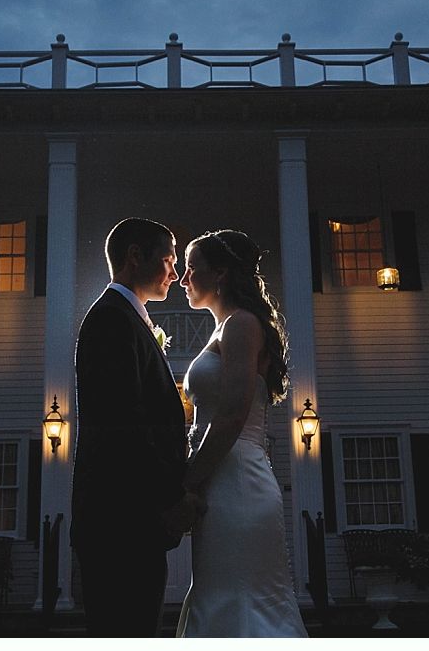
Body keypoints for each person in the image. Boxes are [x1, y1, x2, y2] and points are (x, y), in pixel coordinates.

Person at [71, 217, 203, 637]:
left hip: (130, 521)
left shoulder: (129, 318)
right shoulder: (111, 320)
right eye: (167, 259)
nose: (175, 272)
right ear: (134, 257)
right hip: (120, 524)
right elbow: (123, 424)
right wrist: (171, 499)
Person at [175, 229, 308, 638]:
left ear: (221, 274)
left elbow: (232, 415)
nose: (182, 279)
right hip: (221, 478)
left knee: (241, 597)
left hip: (238, 482)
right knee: (218, 593)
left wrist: (186, 482)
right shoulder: (223, 329)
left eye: (191, 268)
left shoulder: (242, 325)